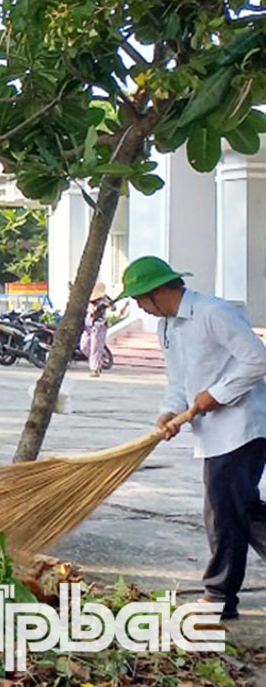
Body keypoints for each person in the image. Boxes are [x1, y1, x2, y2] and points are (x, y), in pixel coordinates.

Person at [124, 256, 266, 621]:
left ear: (158, 291)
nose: (139, 306)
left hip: (243, 427)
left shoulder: (214, 313)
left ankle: (219, 598)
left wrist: (217, 394)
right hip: (213, 434)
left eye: (139, 298)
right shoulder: (166, 327)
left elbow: (257, 359)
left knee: (224, 513)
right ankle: (220, 597)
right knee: (241, 510)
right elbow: (178, 380)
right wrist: (169, 411)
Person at [81, 282, 111, 378]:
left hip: (98, 326)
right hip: (88, 326)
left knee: (95, 347)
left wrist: (107, 302)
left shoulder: (103, 300)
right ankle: (97, 361)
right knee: (84, 346)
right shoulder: (87, 300)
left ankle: (95, 369)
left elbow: (113, 307)